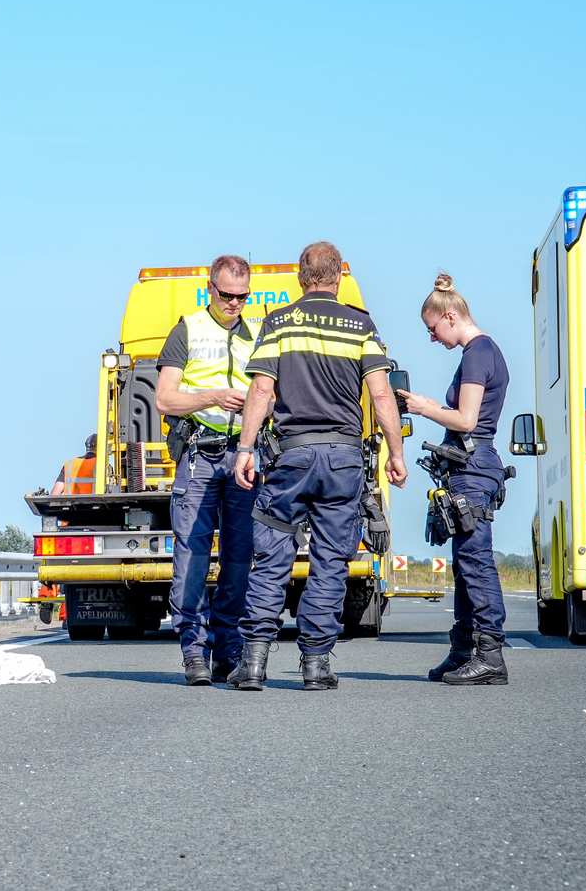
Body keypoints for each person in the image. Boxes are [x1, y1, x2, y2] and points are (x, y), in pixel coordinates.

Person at [231, 241, 407, 691]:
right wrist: (396, 453)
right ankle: (315, 665)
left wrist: (246, 449)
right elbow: (382, 395)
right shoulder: (360, 325)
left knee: (271, 558)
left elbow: (261, 392)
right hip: (343, 460)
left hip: (291, 457)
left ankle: (252, 665)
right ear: (338, 278)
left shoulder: (278, 323)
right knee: (330, 561)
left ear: (299, 277)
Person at [396, 273, 511, 685]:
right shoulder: (478, 353)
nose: (432, 338)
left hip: (474, 467)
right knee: (465, 564)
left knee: (476, 563)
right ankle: (463, 650)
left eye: (432, 329)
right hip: (468, 468)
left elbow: (466, 419)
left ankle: (491, 656)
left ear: (450, 315)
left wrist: (425, 407)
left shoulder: (478, 354)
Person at [155, 254, 258, 686]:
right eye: (227, 294)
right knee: (193, 556)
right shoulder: (188, 329)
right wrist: (212, 396)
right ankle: (193, 650)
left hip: (243, 455)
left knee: (239, 558)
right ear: (210, 288)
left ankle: (227, 648)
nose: (235, 303)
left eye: (242, 296)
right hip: (199, 455)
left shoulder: (259, 335)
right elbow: (165, 399)